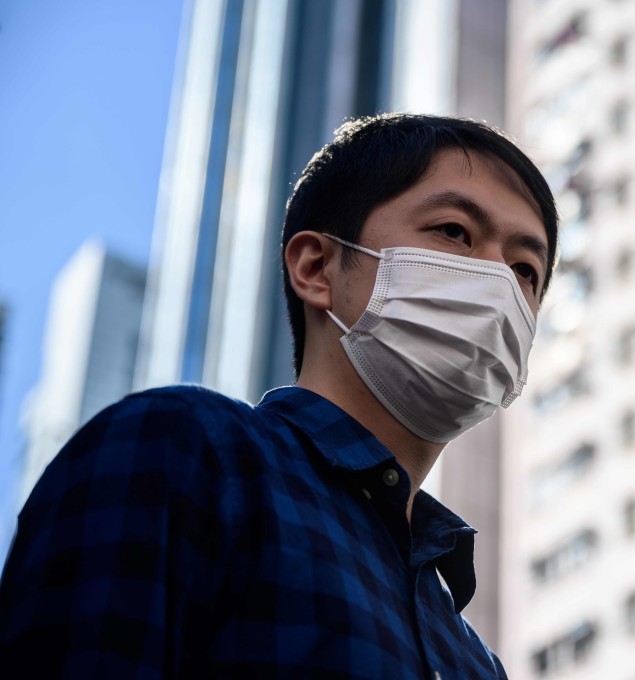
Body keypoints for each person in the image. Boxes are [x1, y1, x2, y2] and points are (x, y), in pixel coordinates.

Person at [0, 113, 559, 678]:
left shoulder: (475, 660)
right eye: (453, 231)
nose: (498, 283)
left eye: (525, 271)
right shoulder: (184, 453)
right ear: (317, 267)